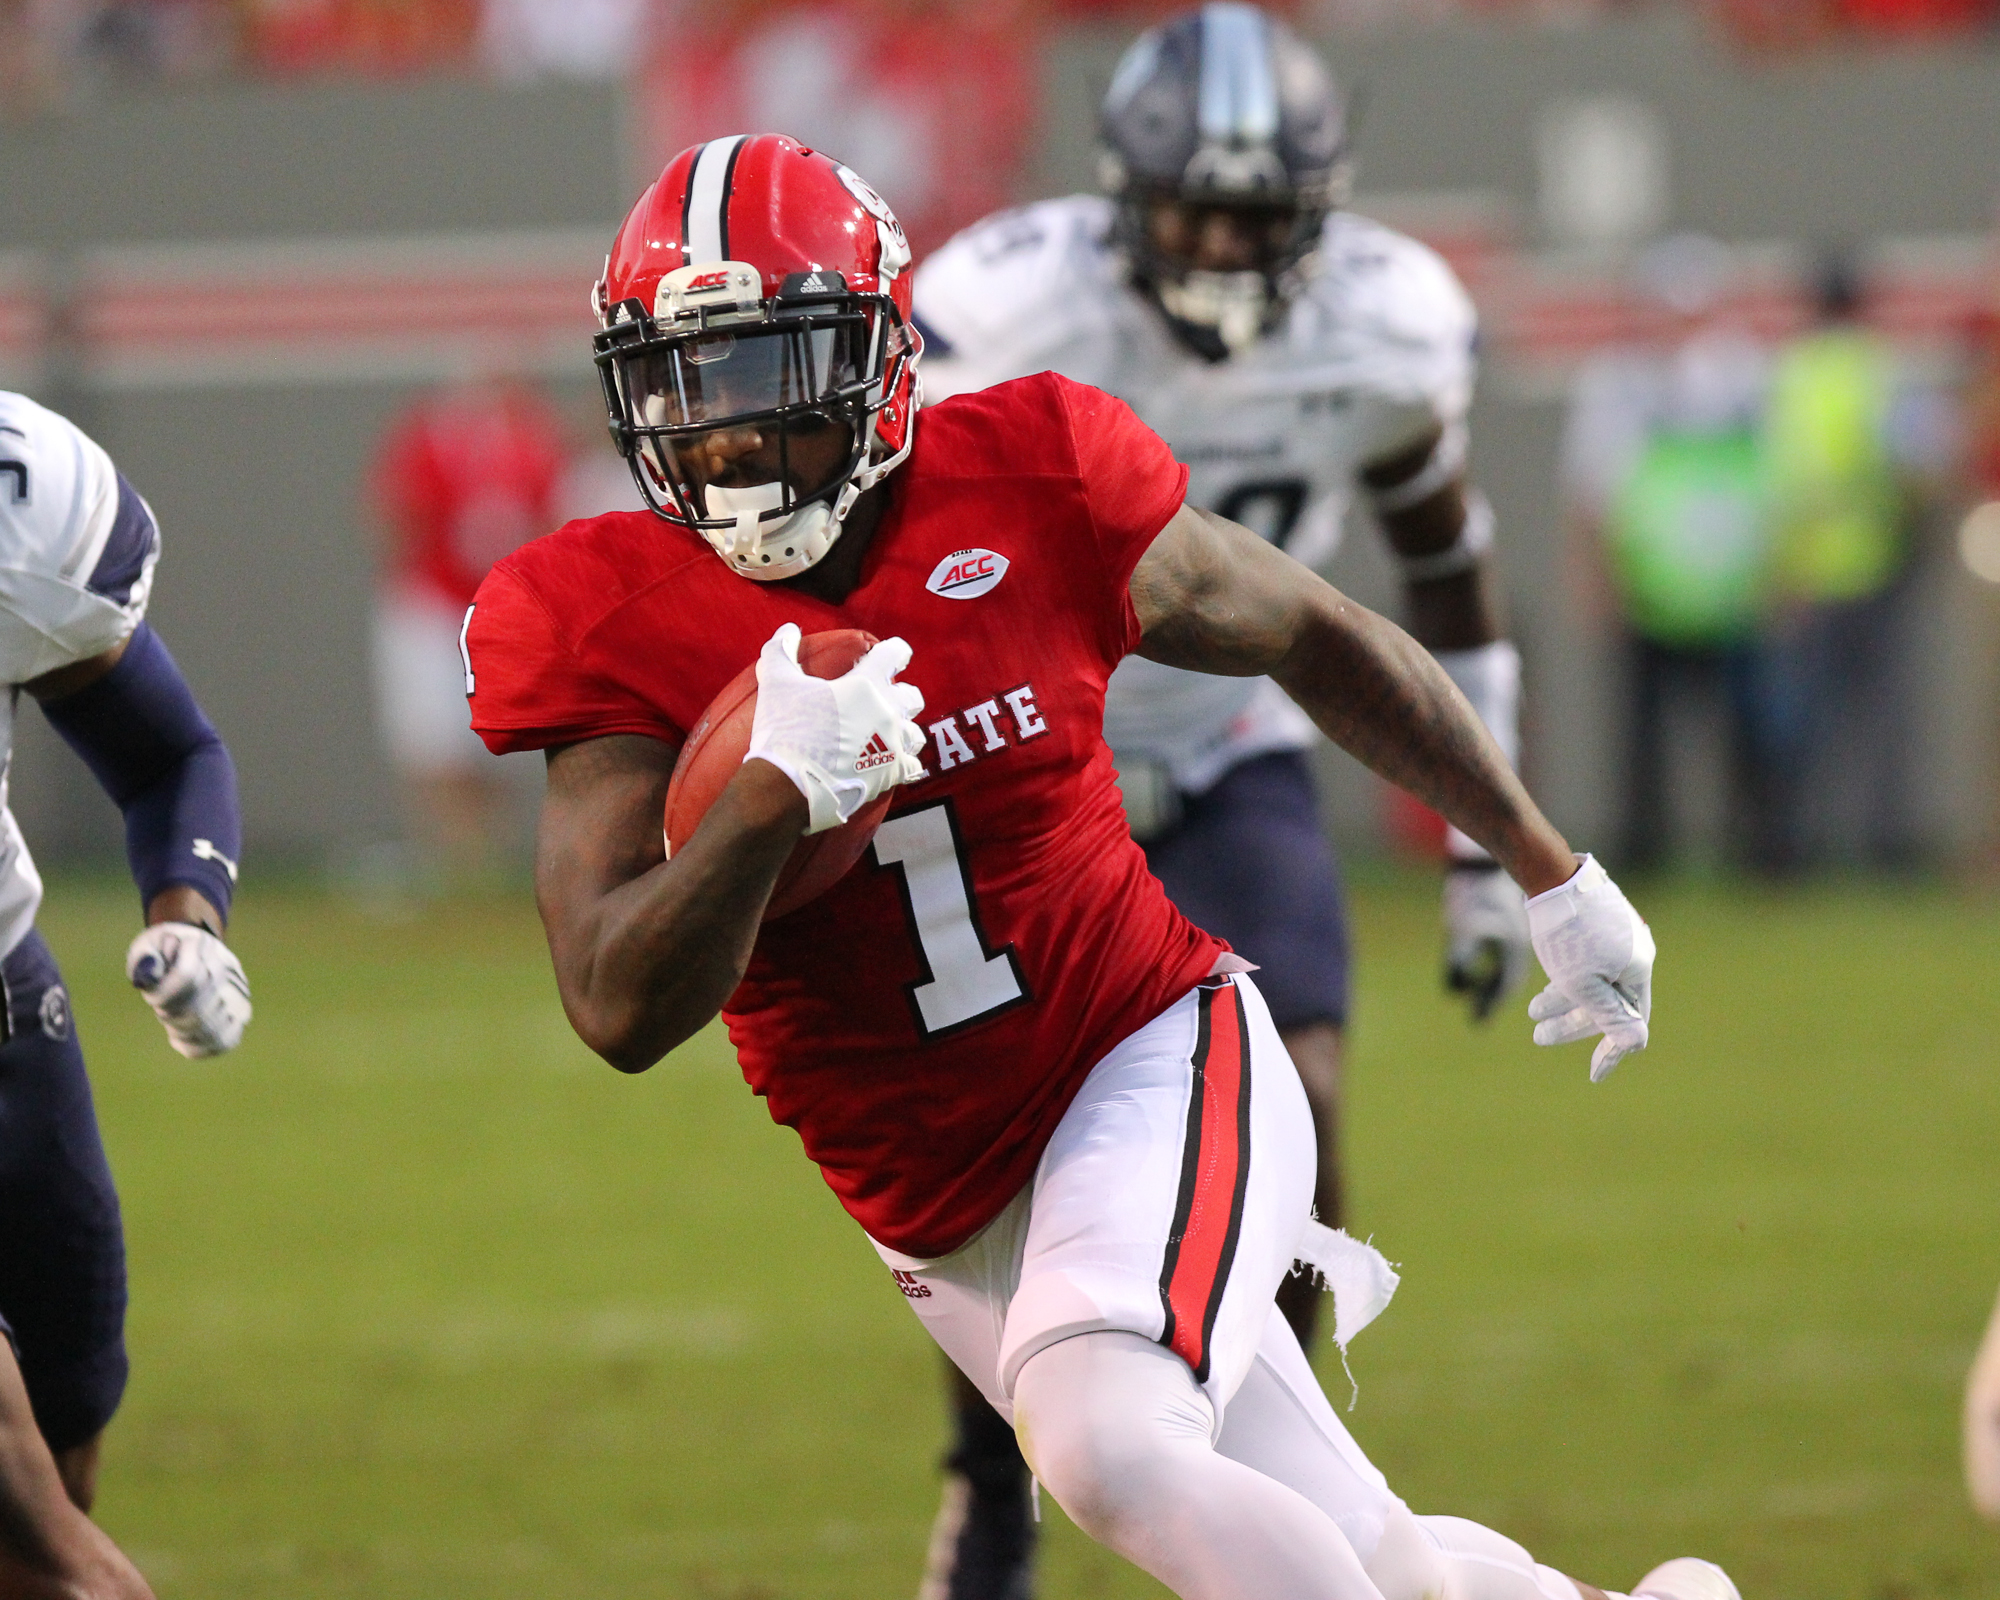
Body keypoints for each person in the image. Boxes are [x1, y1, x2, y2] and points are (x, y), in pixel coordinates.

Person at [464, 133, 1724, 1600]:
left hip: (1142, 1056)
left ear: (872, 353)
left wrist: (1547, 868)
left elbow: (1314, 631)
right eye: (686, 380)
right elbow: (616, 1004)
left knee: (1109, 1448)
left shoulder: (1031, 477)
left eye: (763, 369)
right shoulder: (596, 614)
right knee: (1368, 1551)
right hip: (935, 1211)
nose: (726, 432)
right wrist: (766, 800)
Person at [907, 10, 1531, 1587]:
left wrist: (1490, 856)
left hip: (1227, 741)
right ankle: (993, 1484)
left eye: (1257, 216)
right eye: (1193, 209)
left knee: (1302, 1102)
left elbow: (1445, 576)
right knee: (1000, 1160)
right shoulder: (1007, 308)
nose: (1222, 247)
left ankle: (1288, 1485)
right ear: (1125, 193)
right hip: (1026, 767)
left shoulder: (1386, 322)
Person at [0, 390, 253, 1598]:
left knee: (67, 1458)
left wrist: (188, 918)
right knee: (46, 1546)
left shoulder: (24, 501)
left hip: (11, 1022)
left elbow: (166, 754)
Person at [1558, 234, 1776, 873]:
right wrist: (1595, 576)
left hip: (1729, 586)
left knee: (1746, 729)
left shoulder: (1743, 374)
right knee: (1643, 731)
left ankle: (1759, 855)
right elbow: (1591, 491)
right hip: (1648, 584)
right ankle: (1645, 851)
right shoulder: (1615, 379)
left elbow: (1769, 479)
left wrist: (1775, 570)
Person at [1758, 250, 1946, 870]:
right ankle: (1885, 847)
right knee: (1882, 719)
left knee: (1807, 721)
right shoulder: (1880, 369)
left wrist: (1781, 571)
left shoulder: (1794, 372)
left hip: (1808, 573)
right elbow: (1916, 468)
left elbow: (1779, 481)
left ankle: (1795, 847)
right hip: (1875, 565)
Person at [368, 377, 566, 886]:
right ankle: (456, 859)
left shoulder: (537, 441)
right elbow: (395, 514)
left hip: (503, 608)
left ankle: (483, 862)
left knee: (496, 747)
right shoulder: (431, 439)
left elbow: (557, 518)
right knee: (437, 745)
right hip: (438, 602)